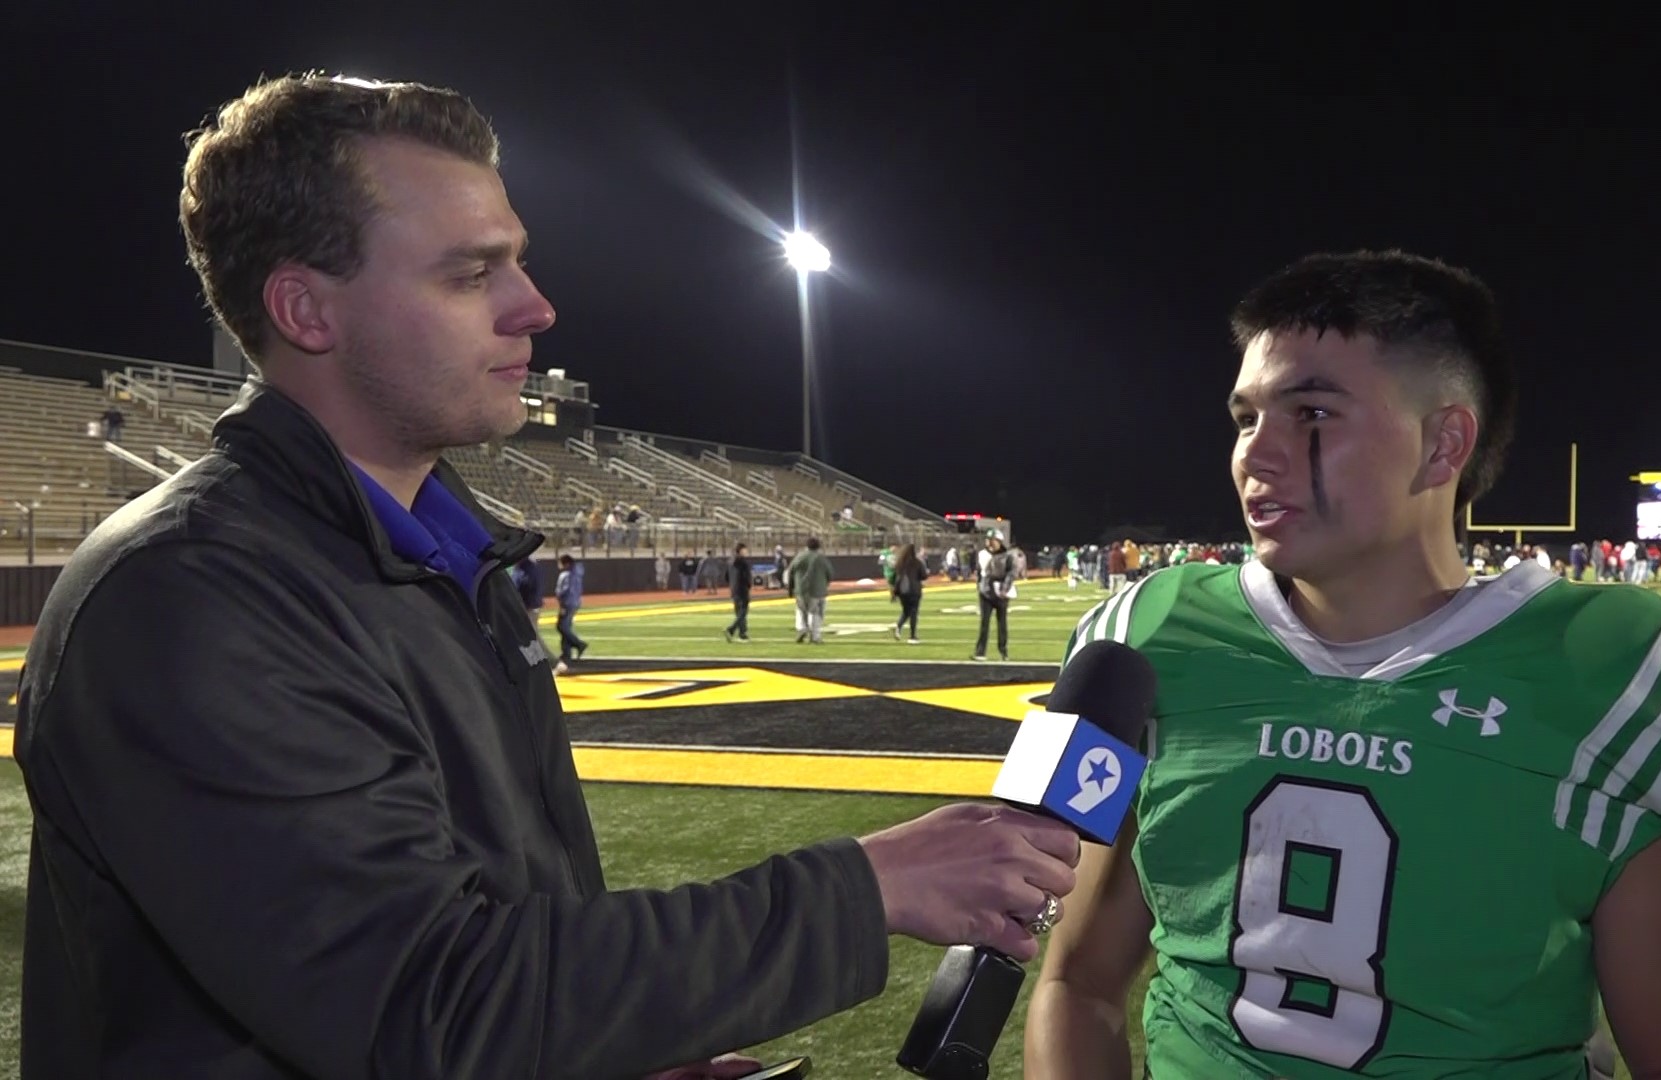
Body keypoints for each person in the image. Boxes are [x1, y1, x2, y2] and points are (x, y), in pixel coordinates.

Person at [13, 73, 1083, 1080]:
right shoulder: (191, 595)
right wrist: (869, 889)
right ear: (306, 312)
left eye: (515, 261)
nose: (535, 307)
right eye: (471, 272)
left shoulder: (436, 554)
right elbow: (426, 1006)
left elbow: (492, 942)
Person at [1026, 250, 1661, 1079]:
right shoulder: (1146, 634)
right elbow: (1076, 978)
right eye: (1245, 418)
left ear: (1442, 444)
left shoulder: (1613, 676)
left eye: (1311, 413)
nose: (1256, 454)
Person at [973, 532, 1015, 661]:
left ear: (999, 541)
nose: (990, 543)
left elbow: (1010, 574)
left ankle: (1003, 651)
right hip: (986, 592)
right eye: (988, 540)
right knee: (984, 623)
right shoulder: (982, 554)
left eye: (993, 540)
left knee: (1001, 624)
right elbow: (979, 573)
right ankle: (980, 652)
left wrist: (1004, 589)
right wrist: (980, 587)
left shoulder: (1007, 556)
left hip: (1000, 592)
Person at [788, 535, 832, 644]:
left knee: (801, 611)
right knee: (816, 612)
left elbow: (790, 572)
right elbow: (830, 573)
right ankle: (815, 636)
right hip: (818, 591)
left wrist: (791, 589)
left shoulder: (799, 557)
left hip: (801, 590)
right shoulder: (821, 558)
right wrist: (825, 584)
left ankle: (802, 629)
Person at [555, 551, 588, 671]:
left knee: (561, 627)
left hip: (567, 603)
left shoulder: (566, 575)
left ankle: (579, 644)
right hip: (575, 602)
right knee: (566, 627)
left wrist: (562, 604)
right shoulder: (577, 573)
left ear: (566, 564)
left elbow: (564, 591)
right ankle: (566, 653)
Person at [892, 542, 927, 643]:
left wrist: (895, 592)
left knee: (906, 611)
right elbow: (924, 576)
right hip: (915, 591)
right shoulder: (917, 562)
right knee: (913, 612)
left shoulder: (900, 563)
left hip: (902, 591)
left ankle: (898, 627)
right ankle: (912, 636)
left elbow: (895, 578)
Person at [724, 541, 753, 642]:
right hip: (742, 589)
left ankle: (742, 633)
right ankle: (731, 629)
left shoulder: (730, 561)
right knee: (743, 612)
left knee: (739, 612)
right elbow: (746, 577)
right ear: (740, 550)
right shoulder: (743, 562)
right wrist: (749, 585)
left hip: (734, 589)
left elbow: (726, 576)